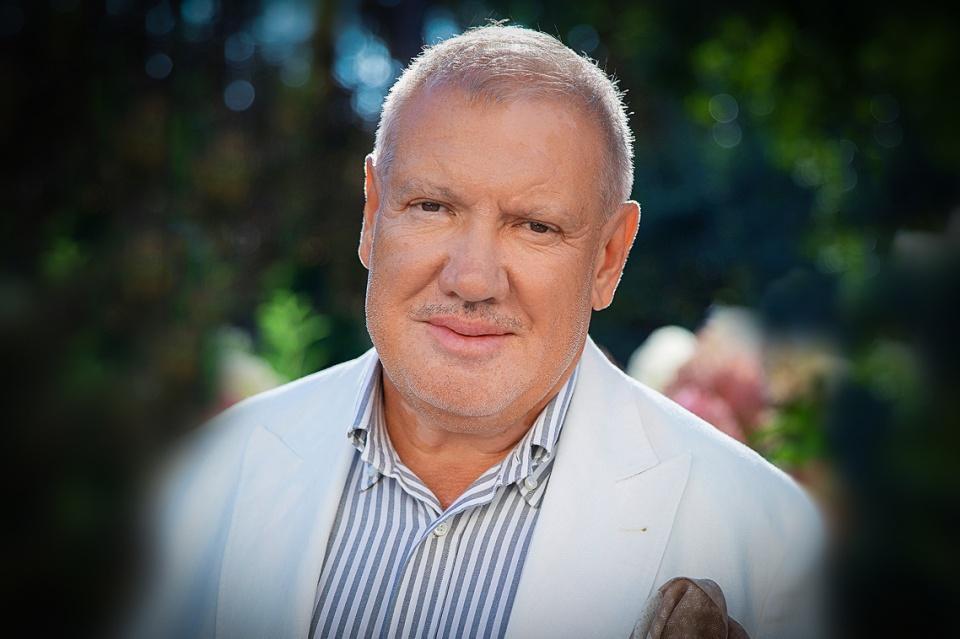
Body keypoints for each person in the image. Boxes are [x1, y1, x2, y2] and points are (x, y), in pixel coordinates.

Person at [131, 25, 824, 639]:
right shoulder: (208, 474)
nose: (472, 279)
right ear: (372, 215)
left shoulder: (769, 540)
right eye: (432, 207)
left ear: (609, 257)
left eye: (535, 226)